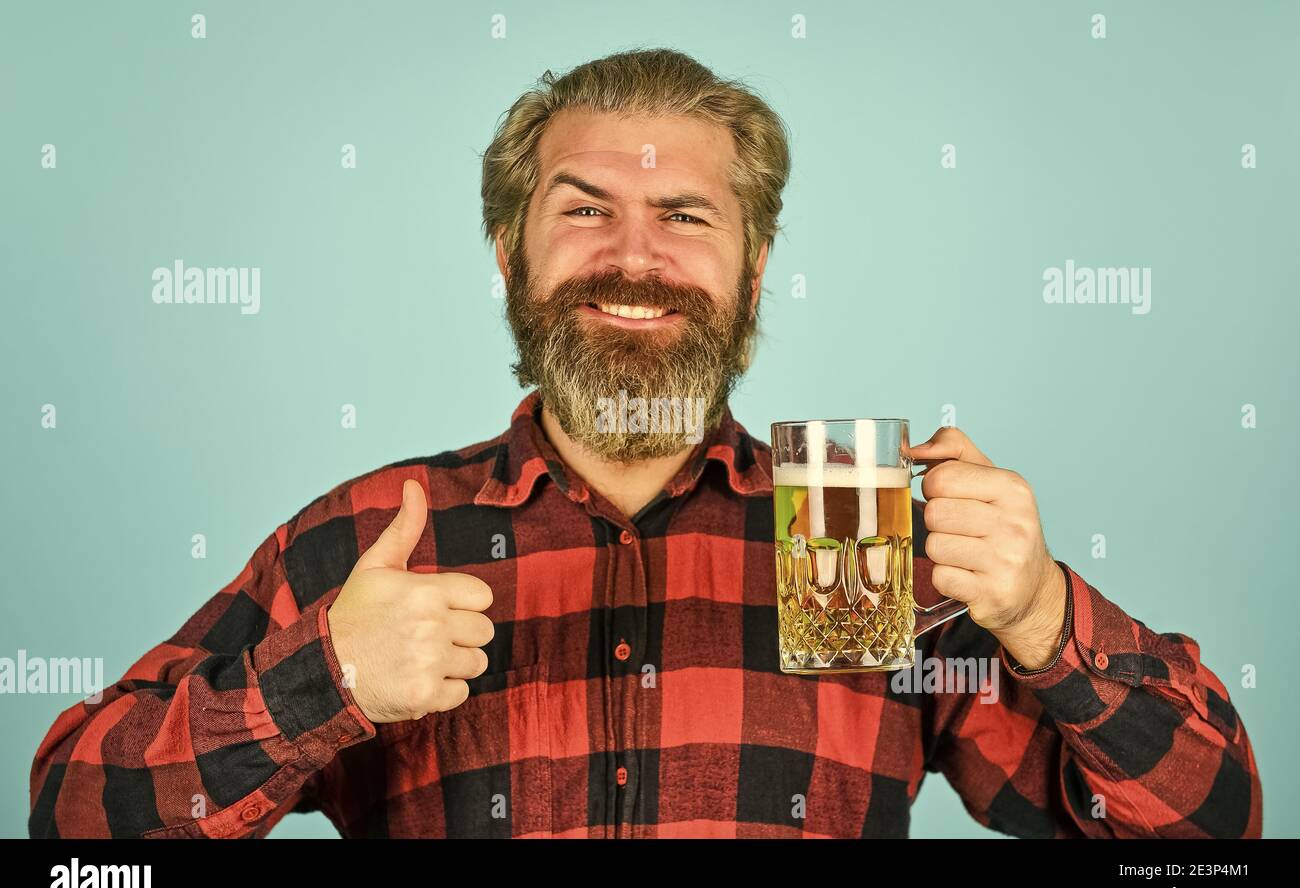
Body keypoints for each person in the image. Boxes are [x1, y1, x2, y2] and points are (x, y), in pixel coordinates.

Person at [29, 48, 1260, 838]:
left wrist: (1044, 615)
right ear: (510, 255)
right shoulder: (368, 544)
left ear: (754, 267)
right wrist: (323, 685)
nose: (634, 257)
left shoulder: (863, 537)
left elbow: (1211, 842)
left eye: (684, 215)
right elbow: (73, 843)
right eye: (584, 211)